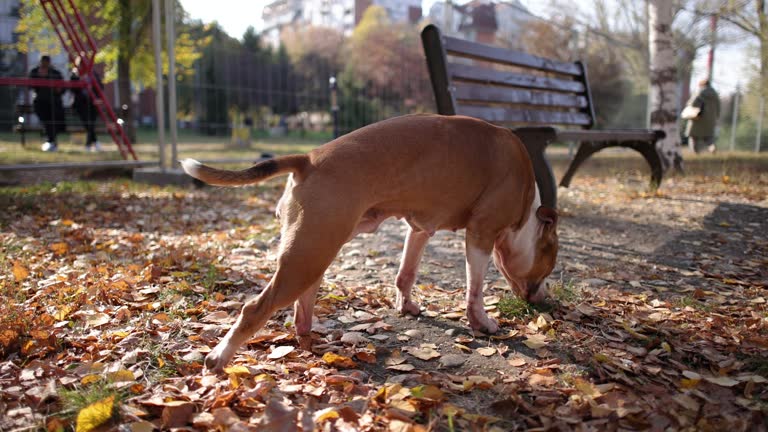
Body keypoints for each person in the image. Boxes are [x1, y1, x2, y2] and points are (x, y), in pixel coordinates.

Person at [29, 55, 65, 152]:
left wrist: (58, 90)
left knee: (53, 122)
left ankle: (51, 141)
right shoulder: (35, 72)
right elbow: (30, 86)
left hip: (54, 104)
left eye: (46, 62)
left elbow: (62, 88)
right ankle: (50, 141)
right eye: (43, 62)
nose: (44, 64)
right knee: (47, 122)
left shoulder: (55, 73)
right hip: (40, 104)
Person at [683, 78, 721, 154]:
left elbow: (692, 103)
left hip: (698, 118)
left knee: (693, 136)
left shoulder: (699, 92)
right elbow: (718, 107)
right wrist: (716, 117)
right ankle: (712, 148)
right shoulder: (715, 94)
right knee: (708, 138)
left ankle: (695, 153)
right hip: (710, 120)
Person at [69, 68, 102, 152]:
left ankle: (90, 144)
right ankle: (94, 143)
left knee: (91, 124)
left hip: (93, 103)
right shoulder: (75, 75)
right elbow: (72, 89)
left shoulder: (93, 74)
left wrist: (98, 97)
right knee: (88, 124)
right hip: (81, 104)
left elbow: (100, 87)